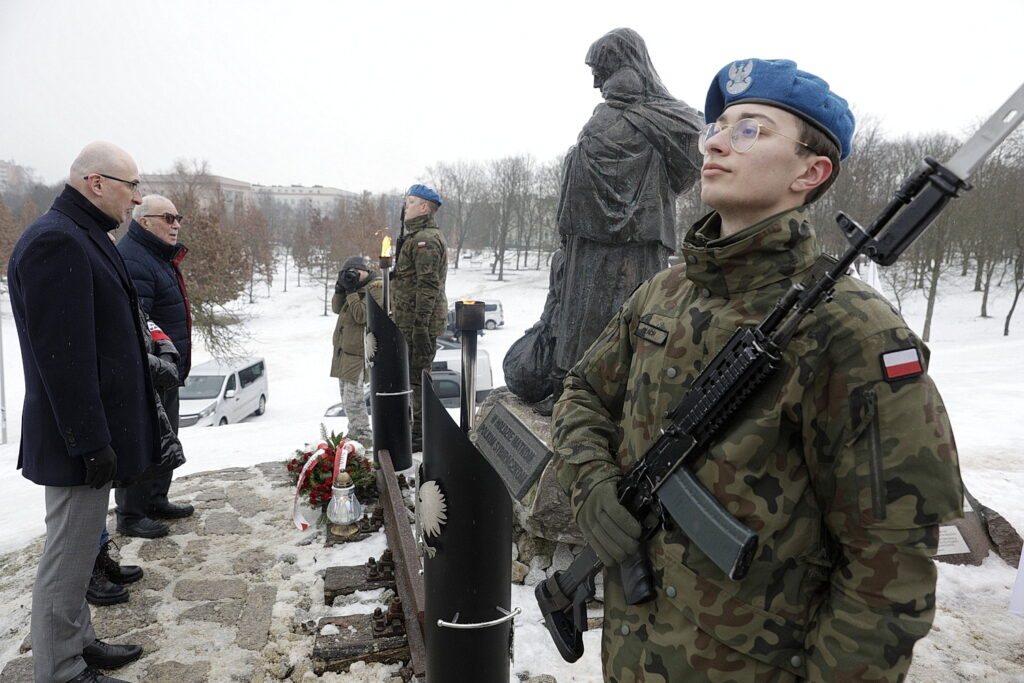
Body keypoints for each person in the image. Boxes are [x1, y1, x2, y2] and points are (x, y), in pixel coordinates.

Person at [551, 59, 964, 681]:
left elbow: (889, 570)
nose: (715, 141)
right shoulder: (662, 295)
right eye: (716, 127)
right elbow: (581, 392)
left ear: (811, 171)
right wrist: (592, 484)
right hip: (635, 655)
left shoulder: (854, 332)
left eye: (751, 129)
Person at [8, 141, 158, 683]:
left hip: (87, 435)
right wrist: (91, 442)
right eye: (131, 186)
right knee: (67, 561)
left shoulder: (81, 234)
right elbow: (64, 360)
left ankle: (78, 643)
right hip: (77, 439)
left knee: (79, 555)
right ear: (95, 183)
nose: (137, 199)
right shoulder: (57, 242)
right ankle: (63, 670)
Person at [538, 28, 701, 412]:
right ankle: (575, 390)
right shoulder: (612, 110)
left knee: (617, 317)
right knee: (580, 318)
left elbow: (695, 140)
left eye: (600, 68)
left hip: (631, 240)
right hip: (589, 235)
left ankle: (604, 397)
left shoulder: (657, 113)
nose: (595, 81)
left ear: (621, 62)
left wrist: (654, 185)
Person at [114, 194, 194, 538]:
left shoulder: (155, 255)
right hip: (148, 372)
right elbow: (136, 322)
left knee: (165, 437)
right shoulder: (134, 259)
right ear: (144, 220)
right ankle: (131, 514)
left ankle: (156, 499)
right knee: (143, 440)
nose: (176, 224)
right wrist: (159, 364)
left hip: (165, 371)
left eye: (178, 218)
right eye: (168, 217)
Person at [391, 184, 447, 451]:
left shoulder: (426, 240)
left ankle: (420, 434)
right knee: (412, 377)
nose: (406, 206)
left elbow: (428, 286)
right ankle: (416, 430)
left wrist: (421, 327)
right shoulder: (414, 237)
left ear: (424, 207)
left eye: (411, 202)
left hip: (418, 324)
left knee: (418, 378)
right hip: (408, 322)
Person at [331, 254, 384, 444]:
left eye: (355, 272)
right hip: (343, 352)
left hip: (358, 353)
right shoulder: (352, 288)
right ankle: (354, 432)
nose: (352, 275)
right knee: (346, 398)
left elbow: (362, 315)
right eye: (348, 273)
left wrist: (352, 291)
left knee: (354, 398)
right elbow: (337, 308)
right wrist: (340, 289)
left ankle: (363, 435)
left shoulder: (376, 288)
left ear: (364, 271)